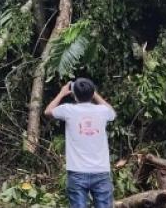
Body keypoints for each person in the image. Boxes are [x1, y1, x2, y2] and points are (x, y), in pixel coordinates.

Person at [45, 78, 116, 208]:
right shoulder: (102, 111)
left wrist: (61, 93)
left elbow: (48, 111)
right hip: (101, 170)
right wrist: (95, 94)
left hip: (77, 171)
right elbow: (112, 112)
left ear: (74, 95)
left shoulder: (68, 110)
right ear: (92, 93)